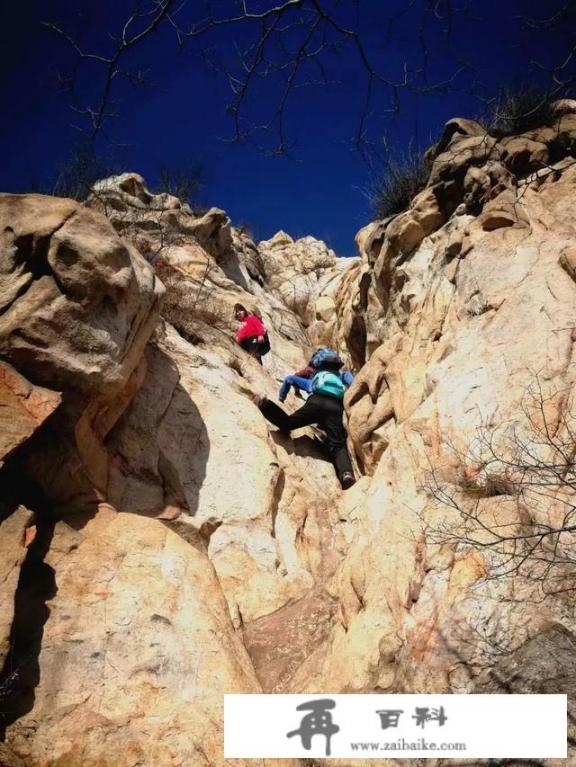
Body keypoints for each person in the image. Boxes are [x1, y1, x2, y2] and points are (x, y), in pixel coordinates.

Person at [258, 357, 356, 489]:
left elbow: (290, 379)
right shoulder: (339, 377)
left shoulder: (316, 377)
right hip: (335, 406)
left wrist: (282, 396)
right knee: (338, 444)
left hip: (316, 401)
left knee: (289, 422)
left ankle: (265, 405)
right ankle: (346, 474)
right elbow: (353, 383)